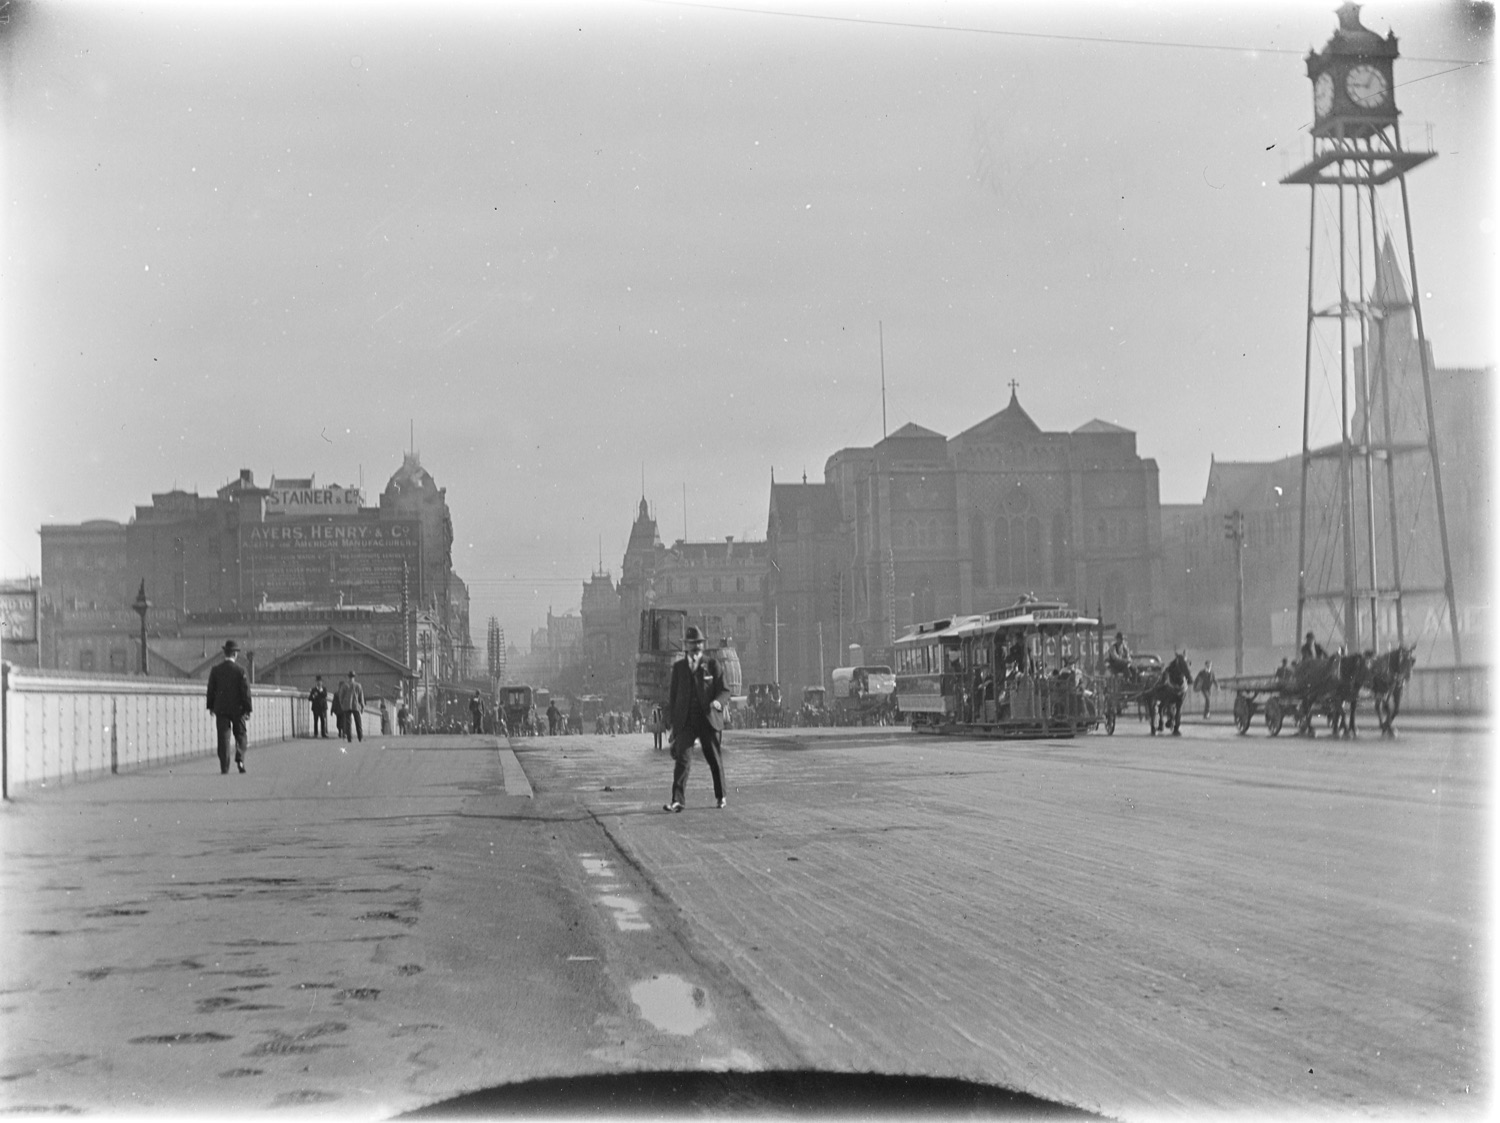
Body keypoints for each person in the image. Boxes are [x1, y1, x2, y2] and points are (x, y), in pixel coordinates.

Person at [664, 625, 731, 812]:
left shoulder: (712, 665)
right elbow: (673, 697)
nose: (696, 648)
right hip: (686, 721)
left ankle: (721, 796)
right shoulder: (679, 668)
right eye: (692, 644)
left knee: (714, 759)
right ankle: (677, 801)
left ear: (703, 646)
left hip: (708, 719)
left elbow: (724, 690)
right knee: (682, 760)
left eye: (699, 644)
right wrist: (672, 725)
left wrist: (717, 703)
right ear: (686, 646)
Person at [206, 639, 253, 774]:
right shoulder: (240, 670)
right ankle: (240, 758)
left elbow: (211, 690)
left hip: (221, 709)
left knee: (223, 738)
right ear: (235, 654)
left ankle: (224, 767)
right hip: (238, 709)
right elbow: (246, 692)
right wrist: (248, 709)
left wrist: (211, 707)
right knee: (241, 735)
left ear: (224, 653)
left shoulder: (216, 670)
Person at [336, 671, 365, 742]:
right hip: (356, 705)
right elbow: (361, 697)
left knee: (348, 723)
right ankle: (360, 737)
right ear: (354, 677)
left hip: (347, 706)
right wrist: (362, 706)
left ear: (348, 677)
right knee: (358, 722)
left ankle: (349, 738)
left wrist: (342, 705)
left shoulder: (344, 686)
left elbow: (341, 697)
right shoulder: (358, 685)